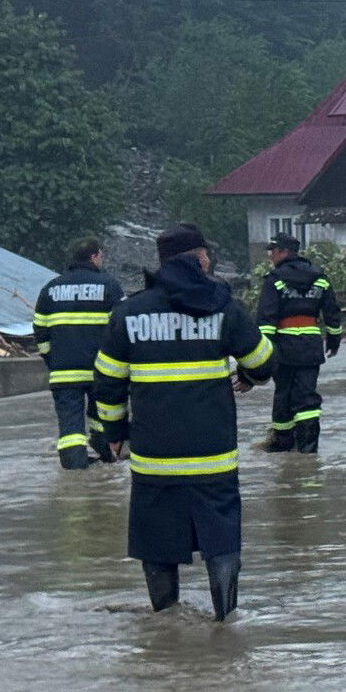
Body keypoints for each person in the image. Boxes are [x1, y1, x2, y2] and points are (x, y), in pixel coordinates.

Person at [93, 223, 274, 620]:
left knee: (156, 540)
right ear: (201, 258)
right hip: (213, 456)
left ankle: (165, 621)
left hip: (154, 459)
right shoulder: (222, 306)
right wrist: (249, 377)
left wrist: (113, 434)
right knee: (221, 538)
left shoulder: (129, 313)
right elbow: (263, 361)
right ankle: (226, 620)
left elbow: (107, 384)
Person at [33, 238, 124, 469]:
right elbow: (123, 328)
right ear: (93, 257)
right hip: (101, 371)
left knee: (70, 428)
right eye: (101, 256)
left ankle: (75, 472)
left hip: (64, 373)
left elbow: (40, 332)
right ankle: (107, 459)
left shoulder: (50, 289)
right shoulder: (109, 286)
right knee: (102, 417)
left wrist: (52, 361)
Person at [254, 232, 343, 453]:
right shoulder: (319, 277)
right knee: (306, 396)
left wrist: (264, 352)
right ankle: (308, 450)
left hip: (283, 349)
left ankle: (282, 445)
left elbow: (266, 321)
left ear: (283, 251)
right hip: (310, 349)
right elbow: (332, 313)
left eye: (272, 251)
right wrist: (333, 340)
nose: (270, 256)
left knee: (283, 393)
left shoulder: (274, 280)